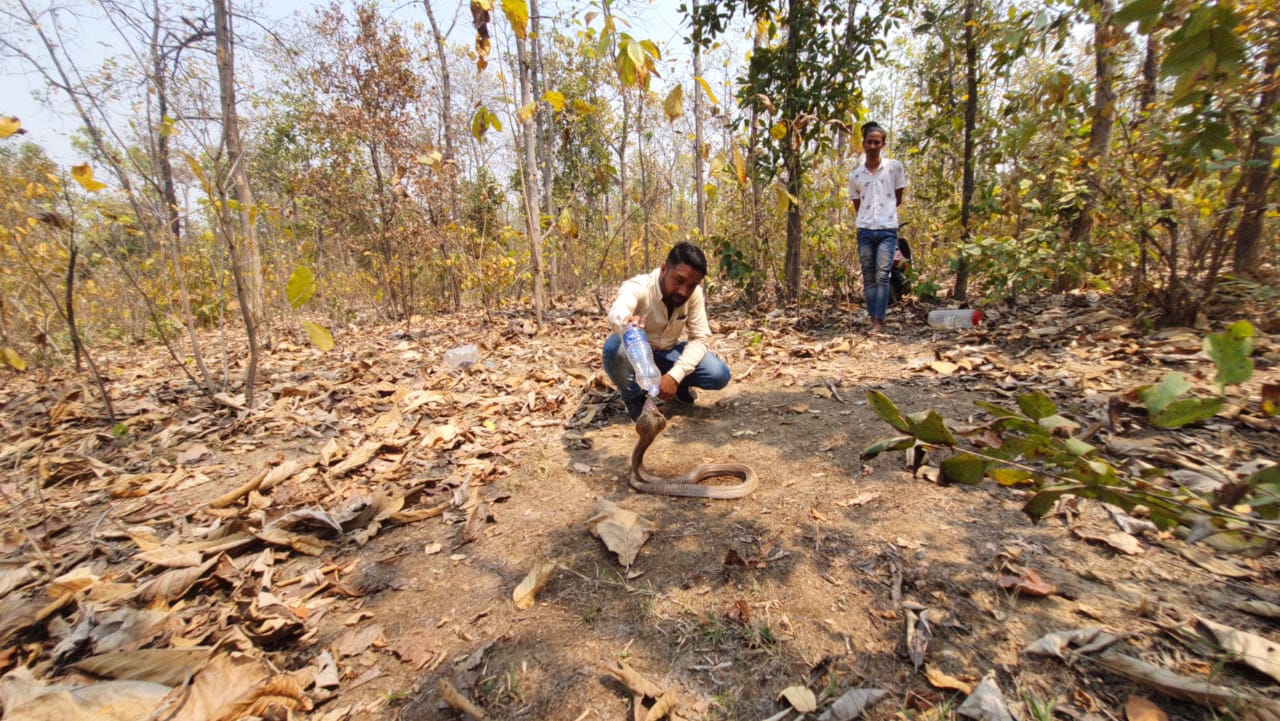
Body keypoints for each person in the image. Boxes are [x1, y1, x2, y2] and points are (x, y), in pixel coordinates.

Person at [603, 242, 731, 421]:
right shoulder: (639, 286)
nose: (683, 291)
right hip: (638, 357)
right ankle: (634, 399)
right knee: (613, 348)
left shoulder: (694, 295)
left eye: (692, 285)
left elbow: (700, 338)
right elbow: (618, 309)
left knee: (718, 374)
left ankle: (677, 386)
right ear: (664, 269)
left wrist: (674, 377)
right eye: (679, 280)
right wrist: (626, 321)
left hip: (668, 354)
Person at [848, 121, 907, 335]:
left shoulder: (894, 168)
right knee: (868, 275)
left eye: (877, 142)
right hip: (865, 229)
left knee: (883, 275)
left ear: (883, 144)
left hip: (887, 229)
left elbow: (897, 197)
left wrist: (884, 213)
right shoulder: (855, 175)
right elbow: (858, 204)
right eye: (869, 142)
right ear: (863, 144)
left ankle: (878, 322)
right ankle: (872, 318)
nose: (873, 146)